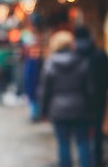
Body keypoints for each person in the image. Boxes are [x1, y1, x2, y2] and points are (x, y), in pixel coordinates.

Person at [39, 30, 94, 167]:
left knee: (63, 143)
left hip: (58, 109)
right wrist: (91, 108)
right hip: (80, 107)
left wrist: (43, 110)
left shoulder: (49, 64)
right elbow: (89, 88)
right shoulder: (82, 61)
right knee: (83, 142)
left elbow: (45, 90)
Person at [74, 26, 108, 167]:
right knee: (97, 132)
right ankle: (97, 160)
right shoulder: (99, 54)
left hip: (79, 101)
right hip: (98, 99)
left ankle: (86, 161)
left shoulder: (74, 55)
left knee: (82, 134)